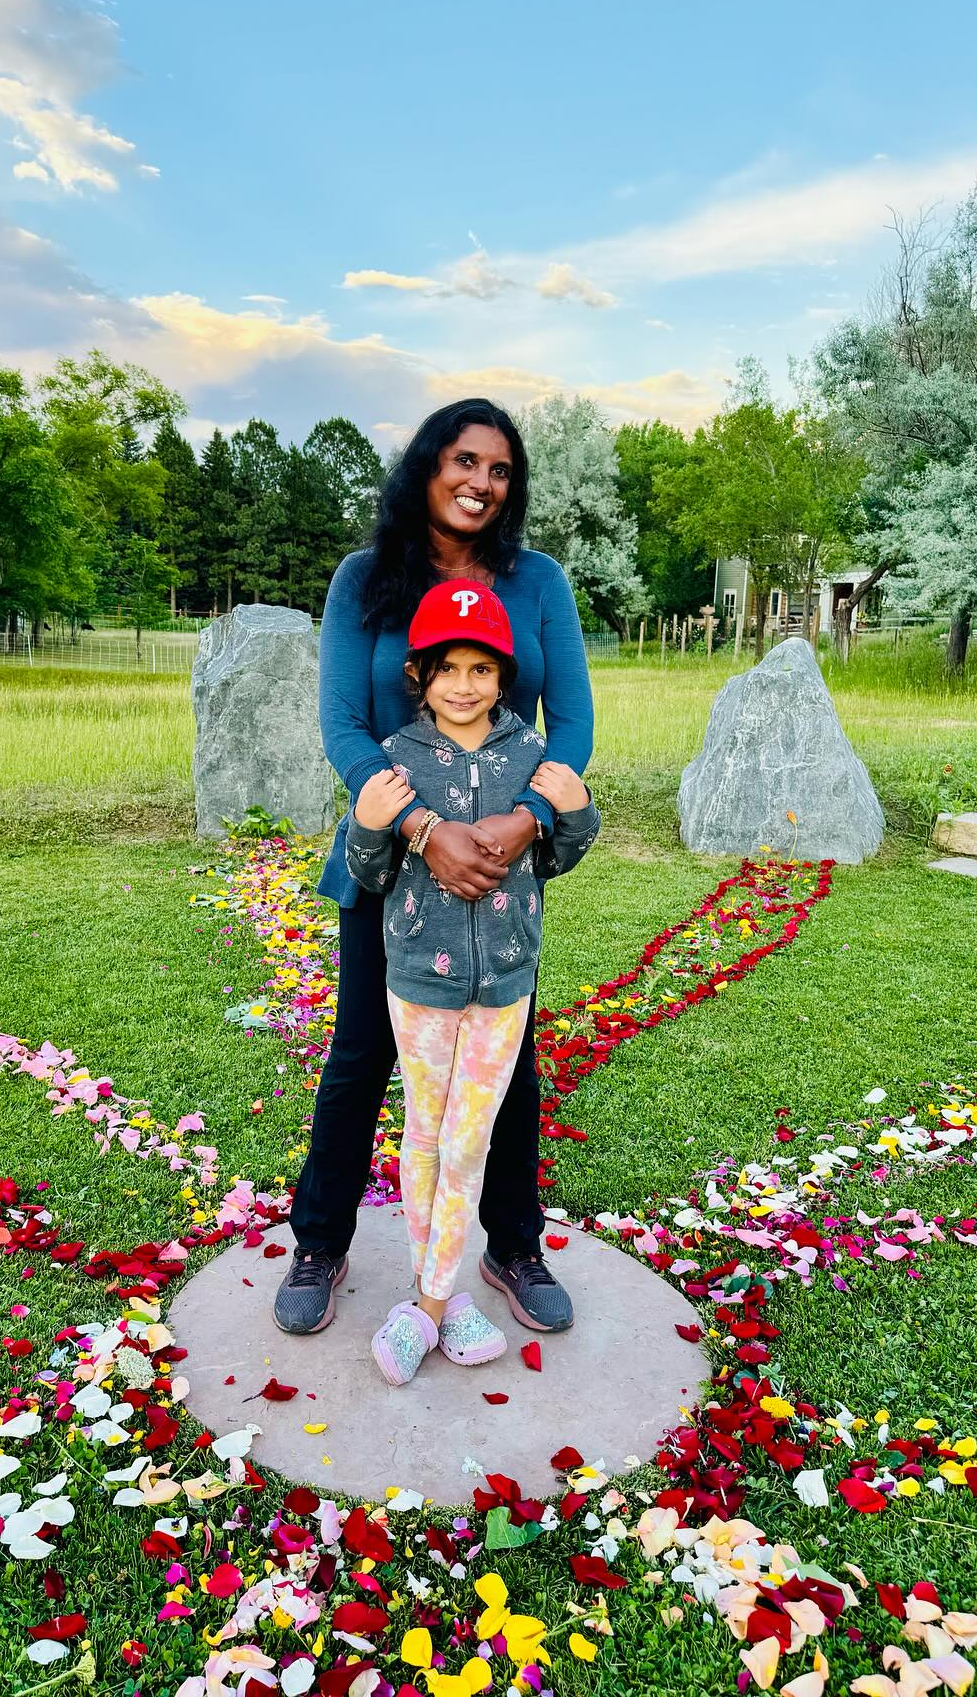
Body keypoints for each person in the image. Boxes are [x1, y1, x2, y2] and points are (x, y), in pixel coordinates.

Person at [274, 397, 595, 1337]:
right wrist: (420, 827)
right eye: (464, 461)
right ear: (426, 465)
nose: (480, 483)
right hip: (391, 868)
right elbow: (342, 722)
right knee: (362, 1052)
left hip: (501, 866)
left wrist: (527, 821)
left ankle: (514, 1243)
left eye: (500, 470)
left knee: (510, 1063)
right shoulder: (365, 579)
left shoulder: (536, 582)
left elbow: (568, 724)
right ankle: (321, 1244)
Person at [346, 582, 599, 1384]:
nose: (464, 684)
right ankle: (436, 1302)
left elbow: (556, 855)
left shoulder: (533, 760)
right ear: (419, 675)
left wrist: (577, 809)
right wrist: (368, 823)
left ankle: (432, 1299)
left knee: (470, 1137)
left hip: (506, 981)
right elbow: (370, 871)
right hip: (419, 978)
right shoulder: (394, 761)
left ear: (504, 677)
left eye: (481, 668)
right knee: (427, 1129)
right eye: (447, 667)